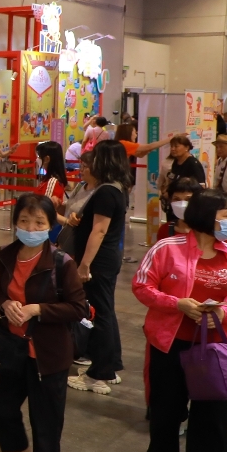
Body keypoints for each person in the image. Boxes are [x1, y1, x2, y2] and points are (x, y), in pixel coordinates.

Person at [131, 189, 227, 452]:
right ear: (204, 216)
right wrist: (177, 304)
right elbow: (141, 286)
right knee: (166, 412)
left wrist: (222, 313)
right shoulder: (166, 248)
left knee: (213, 423)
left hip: (216, 351)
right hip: (170, 345)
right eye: (226, 215)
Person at [0, 194, 87, 452]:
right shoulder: (7, 254)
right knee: (2, 406)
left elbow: (78, 308)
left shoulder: (62, 262)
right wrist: (5, 303)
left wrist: (37, 310)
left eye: (39, 223)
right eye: (24, 221)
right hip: (12, 348)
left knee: (45, 422)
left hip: (48, 355)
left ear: (50, 225)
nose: (31, 228)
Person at [67, 140, 131, 394]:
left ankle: (99, 373)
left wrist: (84, 264)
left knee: (99, 313)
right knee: (105, 310)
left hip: (99, 261)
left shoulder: (106, 192)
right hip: (107, 259)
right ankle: (110, 364)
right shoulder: (118, 188)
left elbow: (99, 230)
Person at [157, 135, 206, 202]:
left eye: (176, 146)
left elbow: (201, 187)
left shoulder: (193, 164)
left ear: (187, 147)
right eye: (171, 146)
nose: (173, 149)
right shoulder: (176, 161)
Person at [35, 141, 67, 211]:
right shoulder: (48, 179)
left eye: (39, 156)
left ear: (47, 159)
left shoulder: (52, 181)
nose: (37, 159)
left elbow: (44, 209)